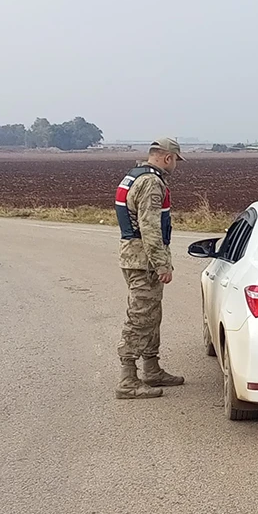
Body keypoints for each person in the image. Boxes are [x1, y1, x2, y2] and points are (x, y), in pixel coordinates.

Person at [114, 138, 186, 399]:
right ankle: (127, 380)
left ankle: (151, 369)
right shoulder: (151, 183)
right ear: (167, 157)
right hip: (143, 261)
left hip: (135, 257)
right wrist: (161, 264)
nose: (176, 165)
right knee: (141, 317)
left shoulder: (135, 176)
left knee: (151, 314)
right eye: (176, 159)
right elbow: (150, 227)